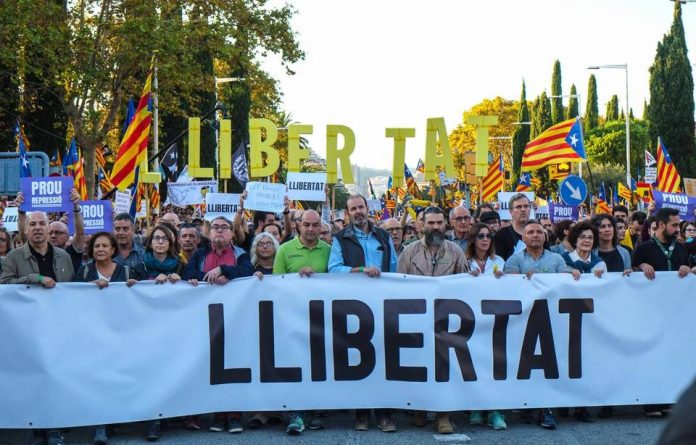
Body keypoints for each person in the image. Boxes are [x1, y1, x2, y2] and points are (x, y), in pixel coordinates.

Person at [0, 211, 75, 445]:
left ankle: (54, 429)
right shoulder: (13, 257)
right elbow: (4, 284)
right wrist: (36, 278)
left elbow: (73, 289)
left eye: (43, 223)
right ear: (26, 229)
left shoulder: (63, 256)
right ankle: (36, 429)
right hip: (27, 329)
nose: (38, 228)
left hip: (58, 326)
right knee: (34, 377)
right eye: (33, 224)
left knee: (57, 376)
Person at [328, 195, 398, 432]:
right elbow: (334, 269)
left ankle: (385, 415)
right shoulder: (340, 239)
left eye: (361, 207)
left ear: (368, 209)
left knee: (385, 359)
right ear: (348, 213)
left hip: (383, 307)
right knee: (359, 359)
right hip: (355, 308)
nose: (358, 211)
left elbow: (394, 269)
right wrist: (360, 270)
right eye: (353, 209)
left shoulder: (383, 236)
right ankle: (361, 414)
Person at [398, 206, 468, 434]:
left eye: (439, 223)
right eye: (431, 223)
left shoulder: (456, 252)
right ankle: (419, 410)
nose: (435, 227)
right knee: (418, 365)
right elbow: (398, 287)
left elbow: (466, 285)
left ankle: (443, 415)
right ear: (422, 225)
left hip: (446, 320)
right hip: (416, 318)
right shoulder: (408, 253)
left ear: (445, 224)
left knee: (444, 368)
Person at [503, 220, 579, 430]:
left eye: (539, 232)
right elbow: (510, 286)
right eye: (530, 232)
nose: (535, 235)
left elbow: (564, 281)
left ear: (545, 237)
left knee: (548, 365)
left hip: (551, 320)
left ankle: (546, 409)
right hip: (522, 322)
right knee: (526, 364)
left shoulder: (557, 259)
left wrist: (571, 273)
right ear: (523, 237)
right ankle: (527, 405)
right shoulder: (514, 260)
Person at [181, 216, 253, 434]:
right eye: (215, 227)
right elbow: (189, 274)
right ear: (209, 232)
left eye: (224, 227)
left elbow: (247, 272)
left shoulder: (241, 254)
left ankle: (233, 415)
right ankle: (216, 413)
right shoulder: (200, 255)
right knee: (210, 364)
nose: (220, 231)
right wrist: (209, 276)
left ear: (232, 233)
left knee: (234, 364)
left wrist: (224, 270)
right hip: (206, 319)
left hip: (235, 319)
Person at [73, 232, 138, 445]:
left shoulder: (127, 270)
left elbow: (142, 297)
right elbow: (70, 299)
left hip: (123, 334)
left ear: (113, 250)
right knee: (99, 379)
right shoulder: (83, 272)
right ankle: (101, 425)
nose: (100, 249)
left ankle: (117, 418)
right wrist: (86, 289)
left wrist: (135, 287)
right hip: (93, 336)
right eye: (96, 246)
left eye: (104, 246)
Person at [273, 209, 331, 435]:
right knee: (296, 362)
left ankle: (315, 410)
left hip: (321, 318)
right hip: (292, 317)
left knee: (318, 363)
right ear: (298, 225)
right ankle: (296, 412)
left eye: (315, 225)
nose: (310, 229)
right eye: (306, 224)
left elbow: (338, 282)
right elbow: (277, 283)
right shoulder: (285, 250)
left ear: (320, 227)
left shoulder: (329, 250)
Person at [464, 223, 506, 430]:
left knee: (493, 366)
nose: (485, 239)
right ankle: (475, 407)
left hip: (493, 321)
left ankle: (494, 411)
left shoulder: (498, 262)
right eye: (480, 236)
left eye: (488, 236)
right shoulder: (464, 262)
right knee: (473, 364)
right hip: (470, 321)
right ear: (473, 239)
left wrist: (503, 280)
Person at [495, 193, 533, 260]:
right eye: (518, 207)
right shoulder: (501, 235)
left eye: (526, 206)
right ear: (510, 211)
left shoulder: (539, 234)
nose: (523, 209)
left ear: (530, 209)